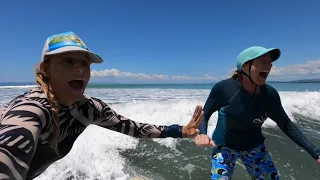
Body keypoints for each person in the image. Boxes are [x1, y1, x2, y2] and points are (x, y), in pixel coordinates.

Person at [0, 31, 204, 180]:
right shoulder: (32, 108)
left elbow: (134, 128)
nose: (79, 69)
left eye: (85, 63)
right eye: (68, 61)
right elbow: (10, 149)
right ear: (46, 69)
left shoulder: (88, 109)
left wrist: (180, 131)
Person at [194, 46, 320, 180]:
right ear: (245, 66)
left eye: (270, 62)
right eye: (263, 61)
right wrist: (202, 133)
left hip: (254, 146)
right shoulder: (224, 89)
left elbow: (286, 125)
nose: (269, 65)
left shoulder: (269, 95)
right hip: (224, 146)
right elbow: (204, 114)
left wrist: (316, 154)